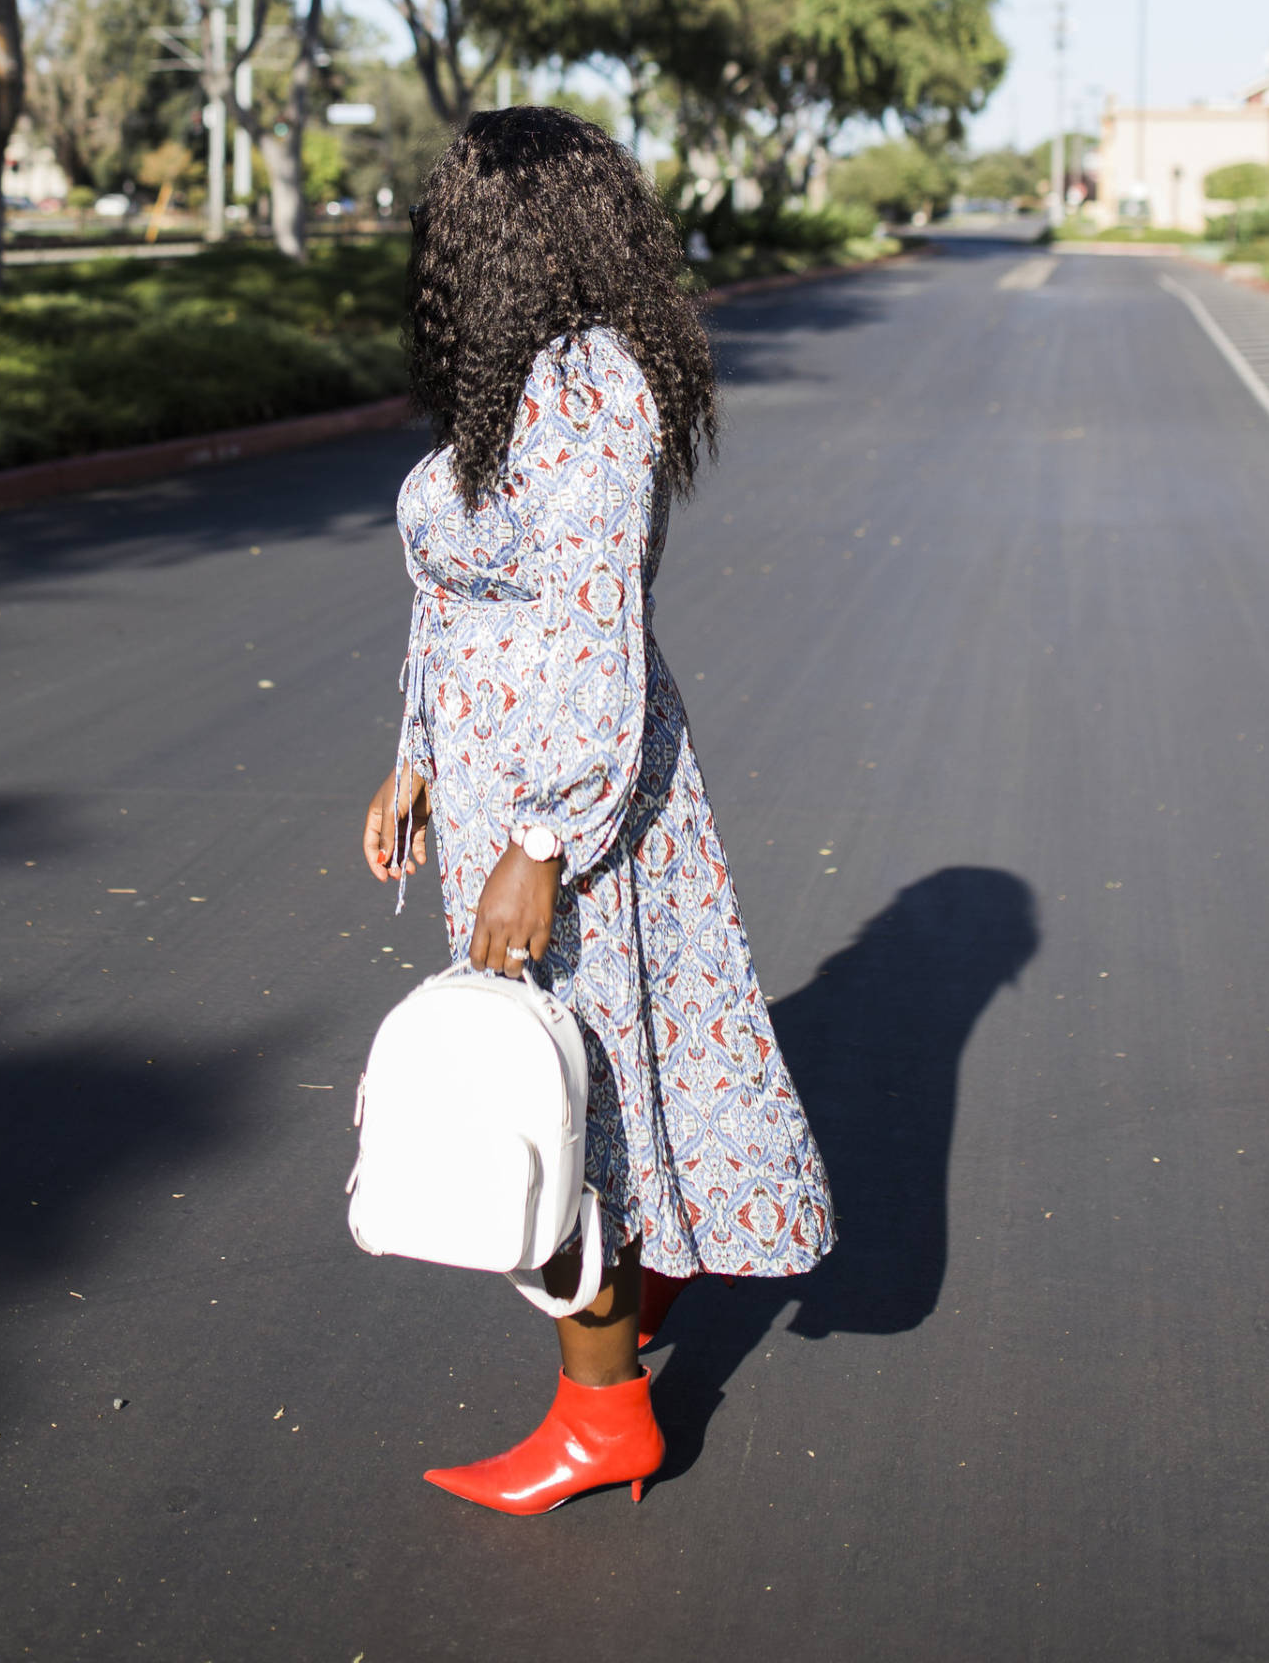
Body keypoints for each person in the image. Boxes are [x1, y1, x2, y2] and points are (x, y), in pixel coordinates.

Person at [363, 106, 834, 1514]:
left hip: (577, 808)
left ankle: (604, 1415)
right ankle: (642, 1285)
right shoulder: (517, 389)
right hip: (504, 788)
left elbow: (588, 631)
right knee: (591, 1087)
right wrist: (417, 757)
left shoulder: (593, 392)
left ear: (507, 235)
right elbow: (454, 607)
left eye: (457, 217)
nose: (438, 237)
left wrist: (544, 843)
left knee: (550, 1102)